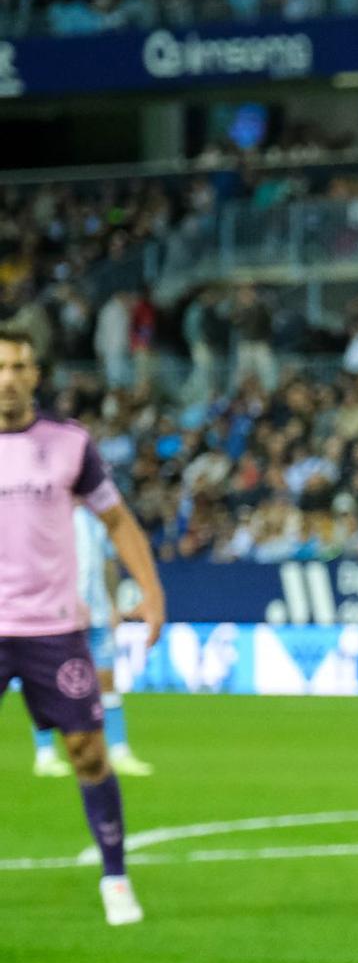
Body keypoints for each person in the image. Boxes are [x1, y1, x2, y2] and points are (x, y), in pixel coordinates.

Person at [0, 330, 166, 924]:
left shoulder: (69, 444)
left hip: (54, 628)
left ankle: (116, 878)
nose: (9, 377)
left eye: (20, 365)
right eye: (0, 366)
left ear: (36, 374)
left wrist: (150, 592)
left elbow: (117, 520)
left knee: (87, 753)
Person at [30, 505, 152, 778]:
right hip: (60, 614)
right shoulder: (50, 514)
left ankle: (119, 751)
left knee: (107, 680)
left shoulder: (95, 517)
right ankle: (45, 754)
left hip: (97, 613)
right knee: (49, 684)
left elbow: (107, 564)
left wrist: (111, 603)